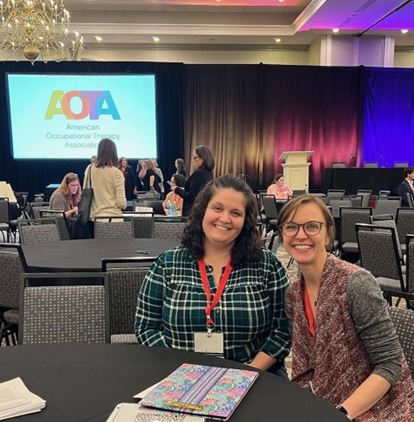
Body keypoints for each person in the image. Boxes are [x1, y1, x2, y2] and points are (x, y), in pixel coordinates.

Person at [135, 174, 291, 376]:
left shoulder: (267, 265)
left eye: (236, 213)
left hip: (253, 376)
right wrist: (181, 371)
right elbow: (146, 328)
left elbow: (283, 330)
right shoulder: (167, 264)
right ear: (202, 211)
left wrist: (247, 373)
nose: (225, 219)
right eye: (217, 208)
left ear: (246, 221)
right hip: (178, 377)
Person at [277, 195, 414, 420]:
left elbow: (389, 364)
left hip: (377, 408)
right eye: (291, 227)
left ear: (328, 235)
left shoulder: (355, 283)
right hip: (323, 401)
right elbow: (308, 367)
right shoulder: (292, 295)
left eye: (312, 226)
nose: (300, 235)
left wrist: (339, 414)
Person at [83, 138, 127, 236]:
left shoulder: (89, 169)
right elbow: (121, 203)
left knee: (96, 250)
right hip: (113, 219)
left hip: (93, 219)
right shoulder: (116, 173)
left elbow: (85, 192)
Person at [172, 145, 215, 216]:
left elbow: (192, 197)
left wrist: (177, 189)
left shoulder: (199, 173)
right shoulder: (209, 173)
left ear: (203, 158)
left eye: (195, 158)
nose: (193, 161)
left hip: (192, 213)